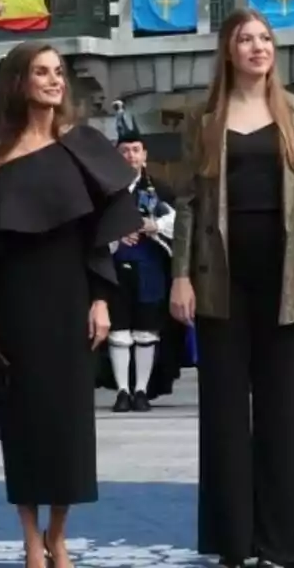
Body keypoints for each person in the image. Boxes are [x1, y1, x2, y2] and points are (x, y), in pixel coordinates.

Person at [0, 43, 138, 568]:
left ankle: (58, 536)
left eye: (58, 72)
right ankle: (30, 540)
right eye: (41, 72)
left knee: (68, 426)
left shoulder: (83, 144)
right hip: (13, 302)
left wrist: (102, 300)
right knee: (21, 423)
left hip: (71, 297)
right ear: (19, 81)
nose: (54, 81)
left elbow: (97, 236)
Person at [170, 8, 294, 568]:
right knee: (223, 412)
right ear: (228, 50)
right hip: (220, 282)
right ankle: (233, 542)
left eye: (265, 38)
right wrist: (181, 275)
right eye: (246, 39)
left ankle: (285, 543)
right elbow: (187, 205)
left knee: (284, 411)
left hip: (285, 278)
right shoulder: (203, 118)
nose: (258, 47)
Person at [101, 130, 181, 413]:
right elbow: (93, 227)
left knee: (147, 331)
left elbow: (180, 225)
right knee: (118, 330)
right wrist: (117, 236)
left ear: (144, 154)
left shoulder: (161, 190)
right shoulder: (105, 191)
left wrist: (154, 226)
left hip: (150, 270)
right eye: (125, 150)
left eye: (136, 150)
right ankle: (122, 390)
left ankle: (141, 390)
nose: (131, 156)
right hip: (114, 271)